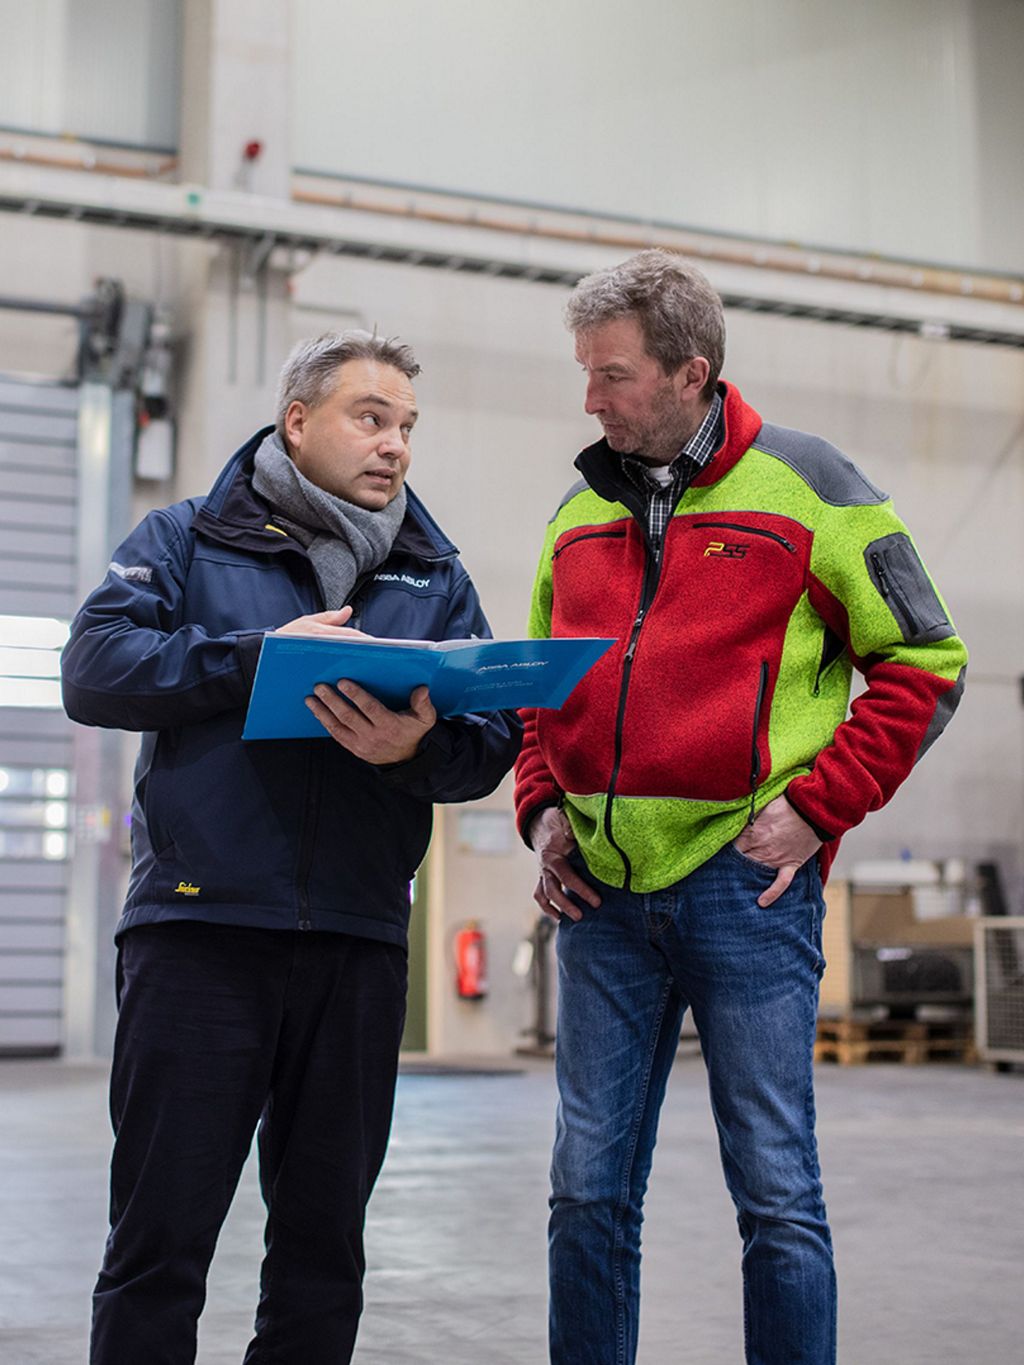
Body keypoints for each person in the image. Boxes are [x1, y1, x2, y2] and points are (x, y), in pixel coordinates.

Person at [514, 251, 967, 1365]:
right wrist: (541, 807)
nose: (590, 399)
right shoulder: (579, 508)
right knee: (585, 1190)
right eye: (585, 372)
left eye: (612, 375)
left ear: (691, 371)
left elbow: (925, 661)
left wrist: (821, 808)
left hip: (744, 888)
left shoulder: (814, 488)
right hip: (599, 894)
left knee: (775, 1191)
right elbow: (536, 682)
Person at [62, 330, 522, 1364]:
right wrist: (253, 657)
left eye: (407, 426)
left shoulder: (435, 576)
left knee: (323, 1254)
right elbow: (93, 667)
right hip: (200, 933)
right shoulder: (185, 539)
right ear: (298, 422)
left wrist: (414, 750)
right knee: (158, 1243)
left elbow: (491, 745)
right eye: (371, 417)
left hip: (357, 946)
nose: (395, 444)